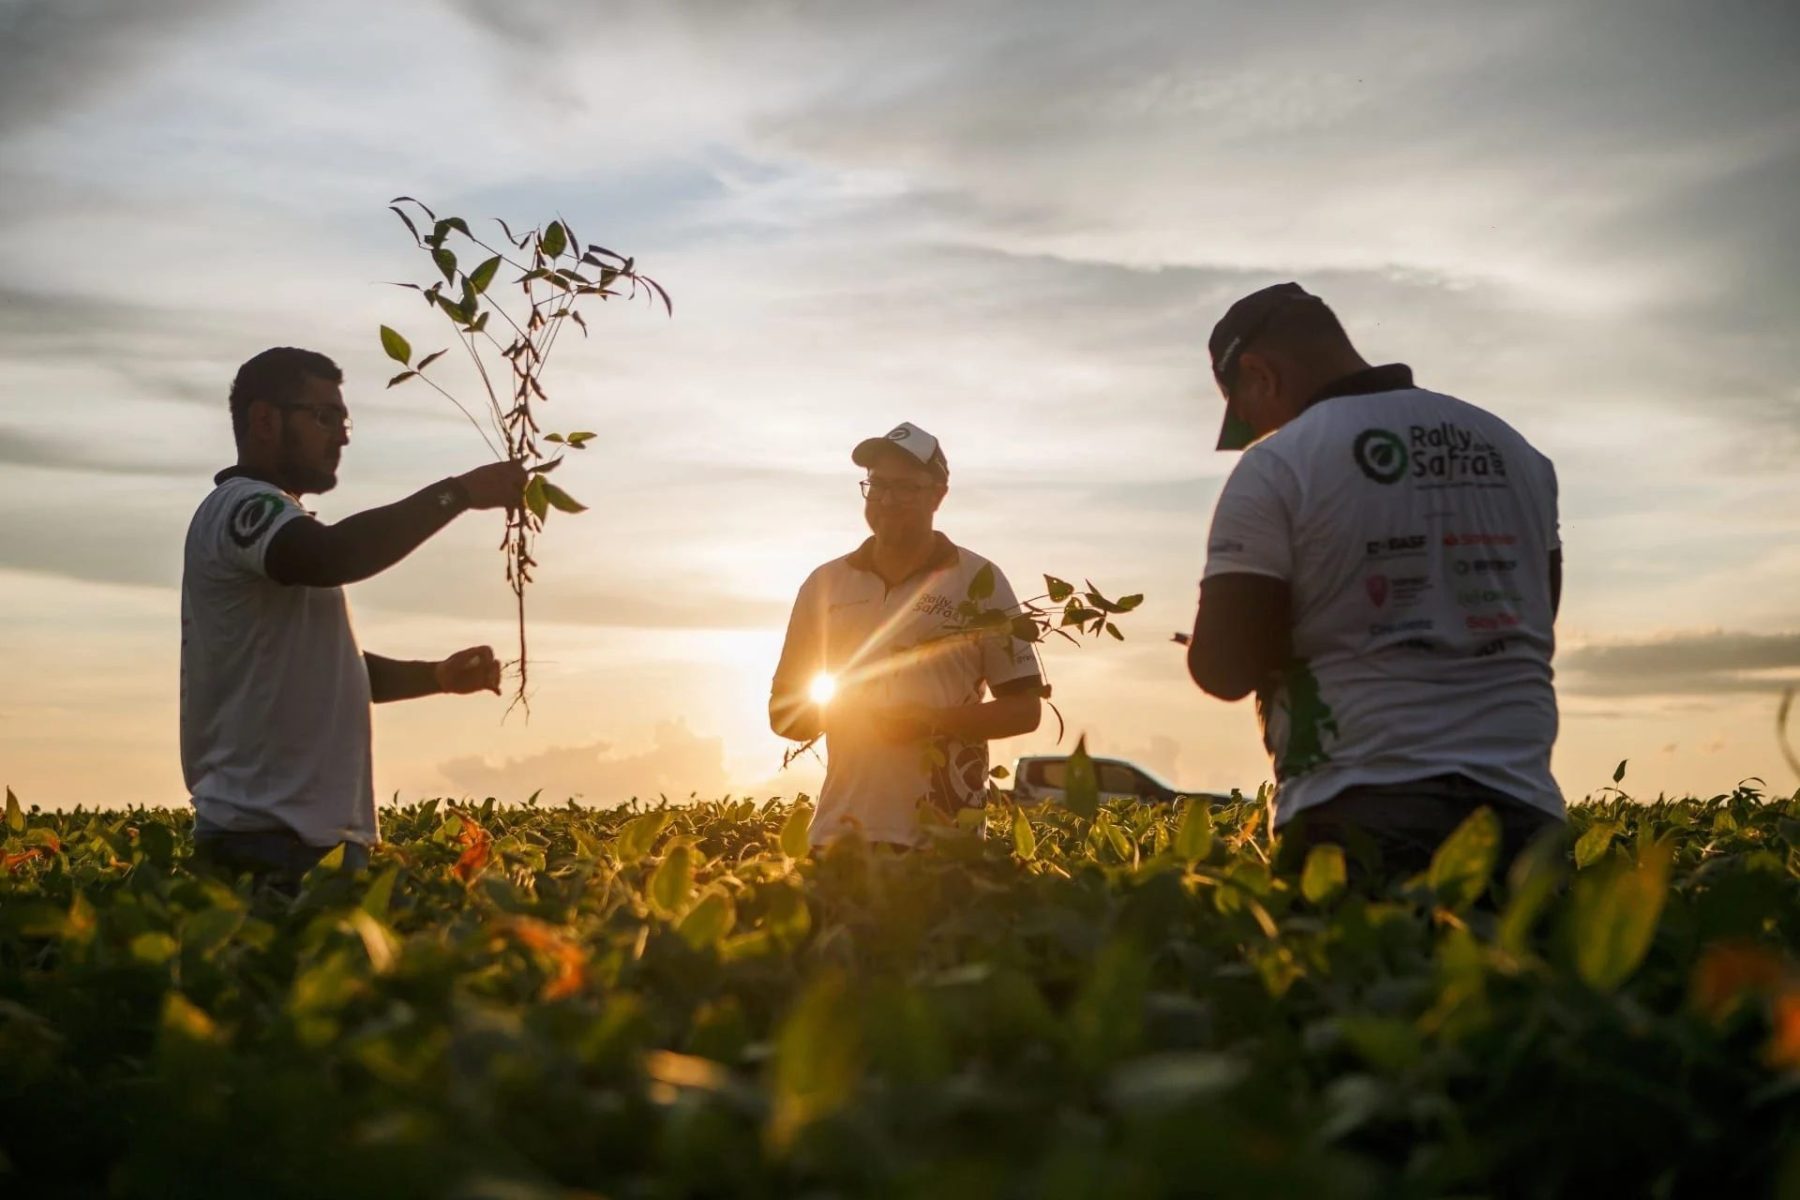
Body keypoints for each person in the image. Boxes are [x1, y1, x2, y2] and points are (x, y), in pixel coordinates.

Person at [1185, 284, 1564, 881]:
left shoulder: (1279, 467)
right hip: (1524, 815)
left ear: (1260, 376)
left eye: (1244, 412)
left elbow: (1225, 667)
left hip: (1354, 814)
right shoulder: (1516, 452)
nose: (1253, 433)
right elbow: (1539, 612)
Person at [180, 346, 527, 885]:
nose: (341, 436)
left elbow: (329, 670)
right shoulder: (242, 508)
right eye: (324, 417)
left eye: (345, 420)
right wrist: (460, 493)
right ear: (265, 420)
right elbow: (333, 556)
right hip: (265, 846)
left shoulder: (281, 527)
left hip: (308, 844)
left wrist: (434, 676)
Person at [769, 422, 1044, 848]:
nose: (887, 501)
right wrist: (839, 710)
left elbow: (1025, 710)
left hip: (945, 841)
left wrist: (929, 721)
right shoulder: (824, 583)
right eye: (877, 486)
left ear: (938, 494)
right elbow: (784, 716)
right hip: (839, 838)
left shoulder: (980, 581)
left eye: (904, 488)